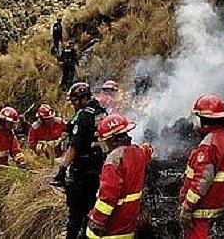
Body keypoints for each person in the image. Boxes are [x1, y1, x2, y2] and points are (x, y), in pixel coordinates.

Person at [178, 95, 224, 239]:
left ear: (204, 120)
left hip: (201, 215)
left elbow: (201, 182)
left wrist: (187, 208)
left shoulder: (209, 145)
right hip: (219, 211)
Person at [51, 82, 107, 239]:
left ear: (83, 99)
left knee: (76, 213)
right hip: (99, 167)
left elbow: (74, 147)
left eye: (74, 101)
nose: (73, 104)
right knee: (91, 208)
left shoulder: (83, 116)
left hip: (83, 171)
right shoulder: (101, 111)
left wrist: (62, 170)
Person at [86, 114, 152, 239]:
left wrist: (97, 219)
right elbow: (147, 151)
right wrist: (148, 147)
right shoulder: (138, 152)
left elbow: (108, 196)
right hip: (128, 226)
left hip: (111, 229)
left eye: (105, 141)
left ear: (114, 140)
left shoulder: (113, 160)